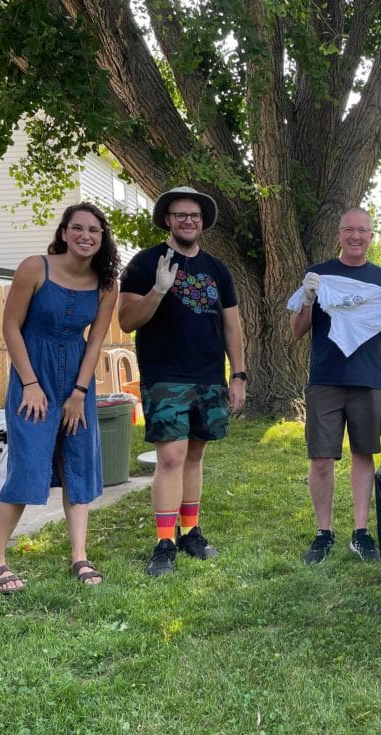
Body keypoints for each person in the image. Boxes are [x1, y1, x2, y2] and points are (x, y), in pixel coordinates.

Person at [0, 202, 120, 593]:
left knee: (79, 463)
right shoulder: (34, 268)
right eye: (77, 228)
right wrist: (30, 383)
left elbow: (95, 343)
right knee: (28, 461)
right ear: (63, 232)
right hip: (33, 374)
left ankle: (79, 556)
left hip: (77, 376)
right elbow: (11, 326)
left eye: (94, 230)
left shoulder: (107, 284)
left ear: (102, 237)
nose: (85, 236)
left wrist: (78, 392)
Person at [118, 186, 246, 577]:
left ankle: (190, 532)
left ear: (202, 222)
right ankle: (164, 541)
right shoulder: (144, 263)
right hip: (165, 376)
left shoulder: (217, 270)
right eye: (179, 215)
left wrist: (238, 374)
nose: (188, 220)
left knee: (194, 455)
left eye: (194, 215)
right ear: (167, 220)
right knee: (170, 457)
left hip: (209, 376)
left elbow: (232, 325)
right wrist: (158, 289)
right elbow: (126, 320)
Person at [290, 207, 381, 563]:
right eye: (349, 230)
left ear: (371, 236)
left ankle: (360, 531)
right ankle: (323, 533)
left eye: (363, 231)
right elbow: (296, 331)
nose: (356, 236)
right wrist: (308, 299)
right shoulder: (320, 274)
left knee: (363, 455)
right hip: (325, 378)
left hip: (368, 379)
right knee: (321, 459)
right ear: (339, 234)